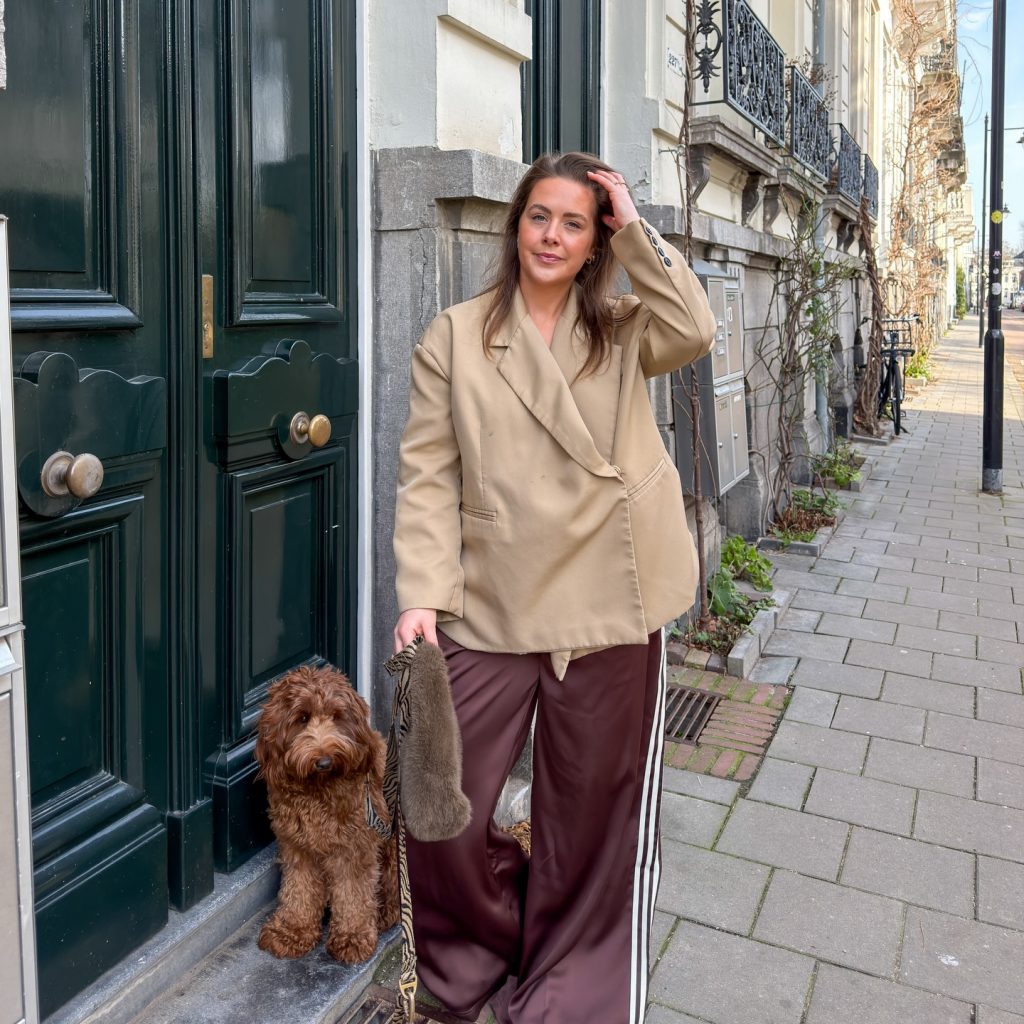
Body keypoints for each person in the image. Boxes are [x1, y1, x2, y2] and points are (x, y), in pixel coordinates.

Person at [391, 151, 717, 1024]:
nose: (552, 236)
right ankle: (477, 956)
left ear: (594, 242)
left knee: (592, 819)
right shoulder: (456, 335)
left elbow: (694, 328)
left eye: (575, 223)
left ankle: (568, 993)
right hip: (490, 601)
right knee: (442, 806)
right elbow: (428, 475)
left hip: (612, 601)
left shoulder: (621, 327)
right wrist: (421, 594)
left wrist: (633, 225)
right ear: (515, 226)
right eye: (540, 216)